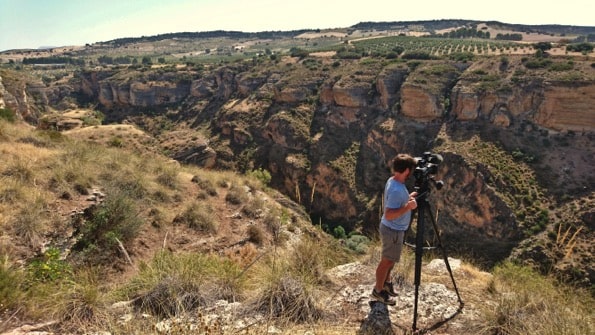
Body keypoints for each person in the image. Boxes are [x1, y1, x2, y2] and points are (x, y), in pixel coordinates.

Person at [372, 153, 418, 305]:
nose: (411, 172)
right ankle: (378, 291)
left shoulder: (393, 180)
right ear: (406, 171)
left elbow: (395, 202)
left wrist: (408, 198)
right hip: (392, 230)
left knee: (390, 261)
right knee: (386, 262)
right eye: (411, 169)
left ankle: (386, 283)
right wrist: (408, 207)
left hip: (393, 230)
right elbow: (389, 214)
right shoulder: (397, 189)